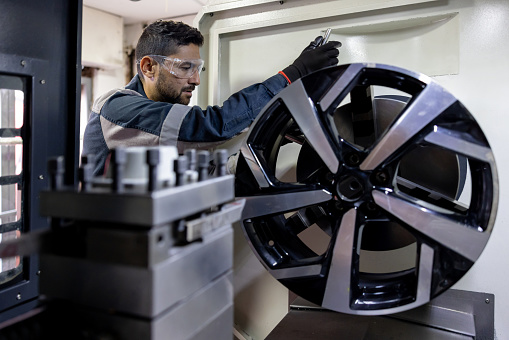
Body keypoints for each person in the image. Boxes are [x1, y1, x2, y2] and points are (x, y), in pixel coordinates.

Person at [83, 20, 341, 176]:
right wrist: (293, 74)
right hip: (110, 253)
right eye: (185, 68)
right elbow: (212, 125)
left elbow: (208, 171)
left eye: (197, 69)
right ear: (149, 67)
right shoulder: (115, 107)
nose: (195, 80)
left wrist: (270, 137)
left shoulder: (161, 128)